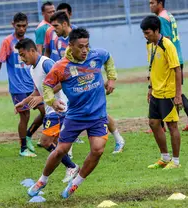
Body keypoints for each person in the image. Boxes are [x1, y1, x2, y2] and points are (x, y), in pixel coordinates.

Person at [27, 28, 117, 199]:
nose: (85, 50)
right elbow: (47, 85)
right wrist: (52, 101)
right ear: (71, 46)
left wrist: (111, 78)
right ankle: (42, 180)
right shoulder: (61, 66)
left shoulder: (96, 55)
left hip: (97, 115)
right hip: (75, 115)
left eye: (87, 46)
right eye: (81, 47)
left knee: (98, 150)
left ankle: (75, 184)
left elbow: (108, 57)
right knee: (61, 150)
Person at [50, 11, 126, 154]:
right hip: (70, 80)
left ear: (65, 24)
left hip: (83, 80)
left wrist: (111, 78)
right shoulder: (57, 40)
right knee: (73, 112)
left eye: (56, 26)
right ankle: (70, 153)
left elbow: (93, 59)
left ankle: (118, 139)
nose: (54, 29)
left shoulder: (79, 37)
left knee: (94, 113)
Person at [14, 38, 80, 183]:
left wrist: (43, 98)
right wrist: (23, 102)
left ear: (32, 51)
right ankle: (69, 170)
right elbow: (37, 90)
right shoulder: (32, 69)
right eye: (20, 55)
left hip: (59, 108)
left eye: (23, 54)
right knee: (55, 144)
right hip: (52, 109)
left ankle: (72, 167)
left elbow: (61, 82)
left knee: (45, 141)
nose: (22, 58)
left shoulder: (46, 63)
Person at [0, 12, 45, 157]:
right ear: (13, 25)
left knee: (45, 111)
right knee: (25, 116)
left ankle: (29, 134)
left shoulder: (29, 42)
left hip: (32, 85)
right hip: (17, 87)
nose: (22, 29)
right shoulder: (7, 42)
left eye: (24, 26)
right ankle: (23, 148)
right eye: (19, 26)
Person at [146, 0, 188, 133]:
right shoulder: (169, 15)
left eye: (152, 2)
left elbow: (166, 39)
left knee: (170, 91)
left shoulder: (161, 18)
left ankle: (161, 125)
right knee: (176, 91)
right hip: (176, 58)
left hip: (170, 61)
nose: (150, 5)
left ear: (160, 3)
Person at [140, 15, 182, 169]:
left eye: (148, 33)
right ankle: (164, 158)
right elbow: (153, 68)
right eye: (144, 33)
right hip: (156, 92)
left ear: (157, 30)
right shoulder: (149, 45)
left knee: (172, 127)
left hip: (168, 93)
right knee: (153, 123)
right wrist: (150, 88)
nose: (146, 36)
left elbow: (177, 70)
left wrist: (178, 95)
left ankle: (176, 161)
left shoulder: (168, 45)